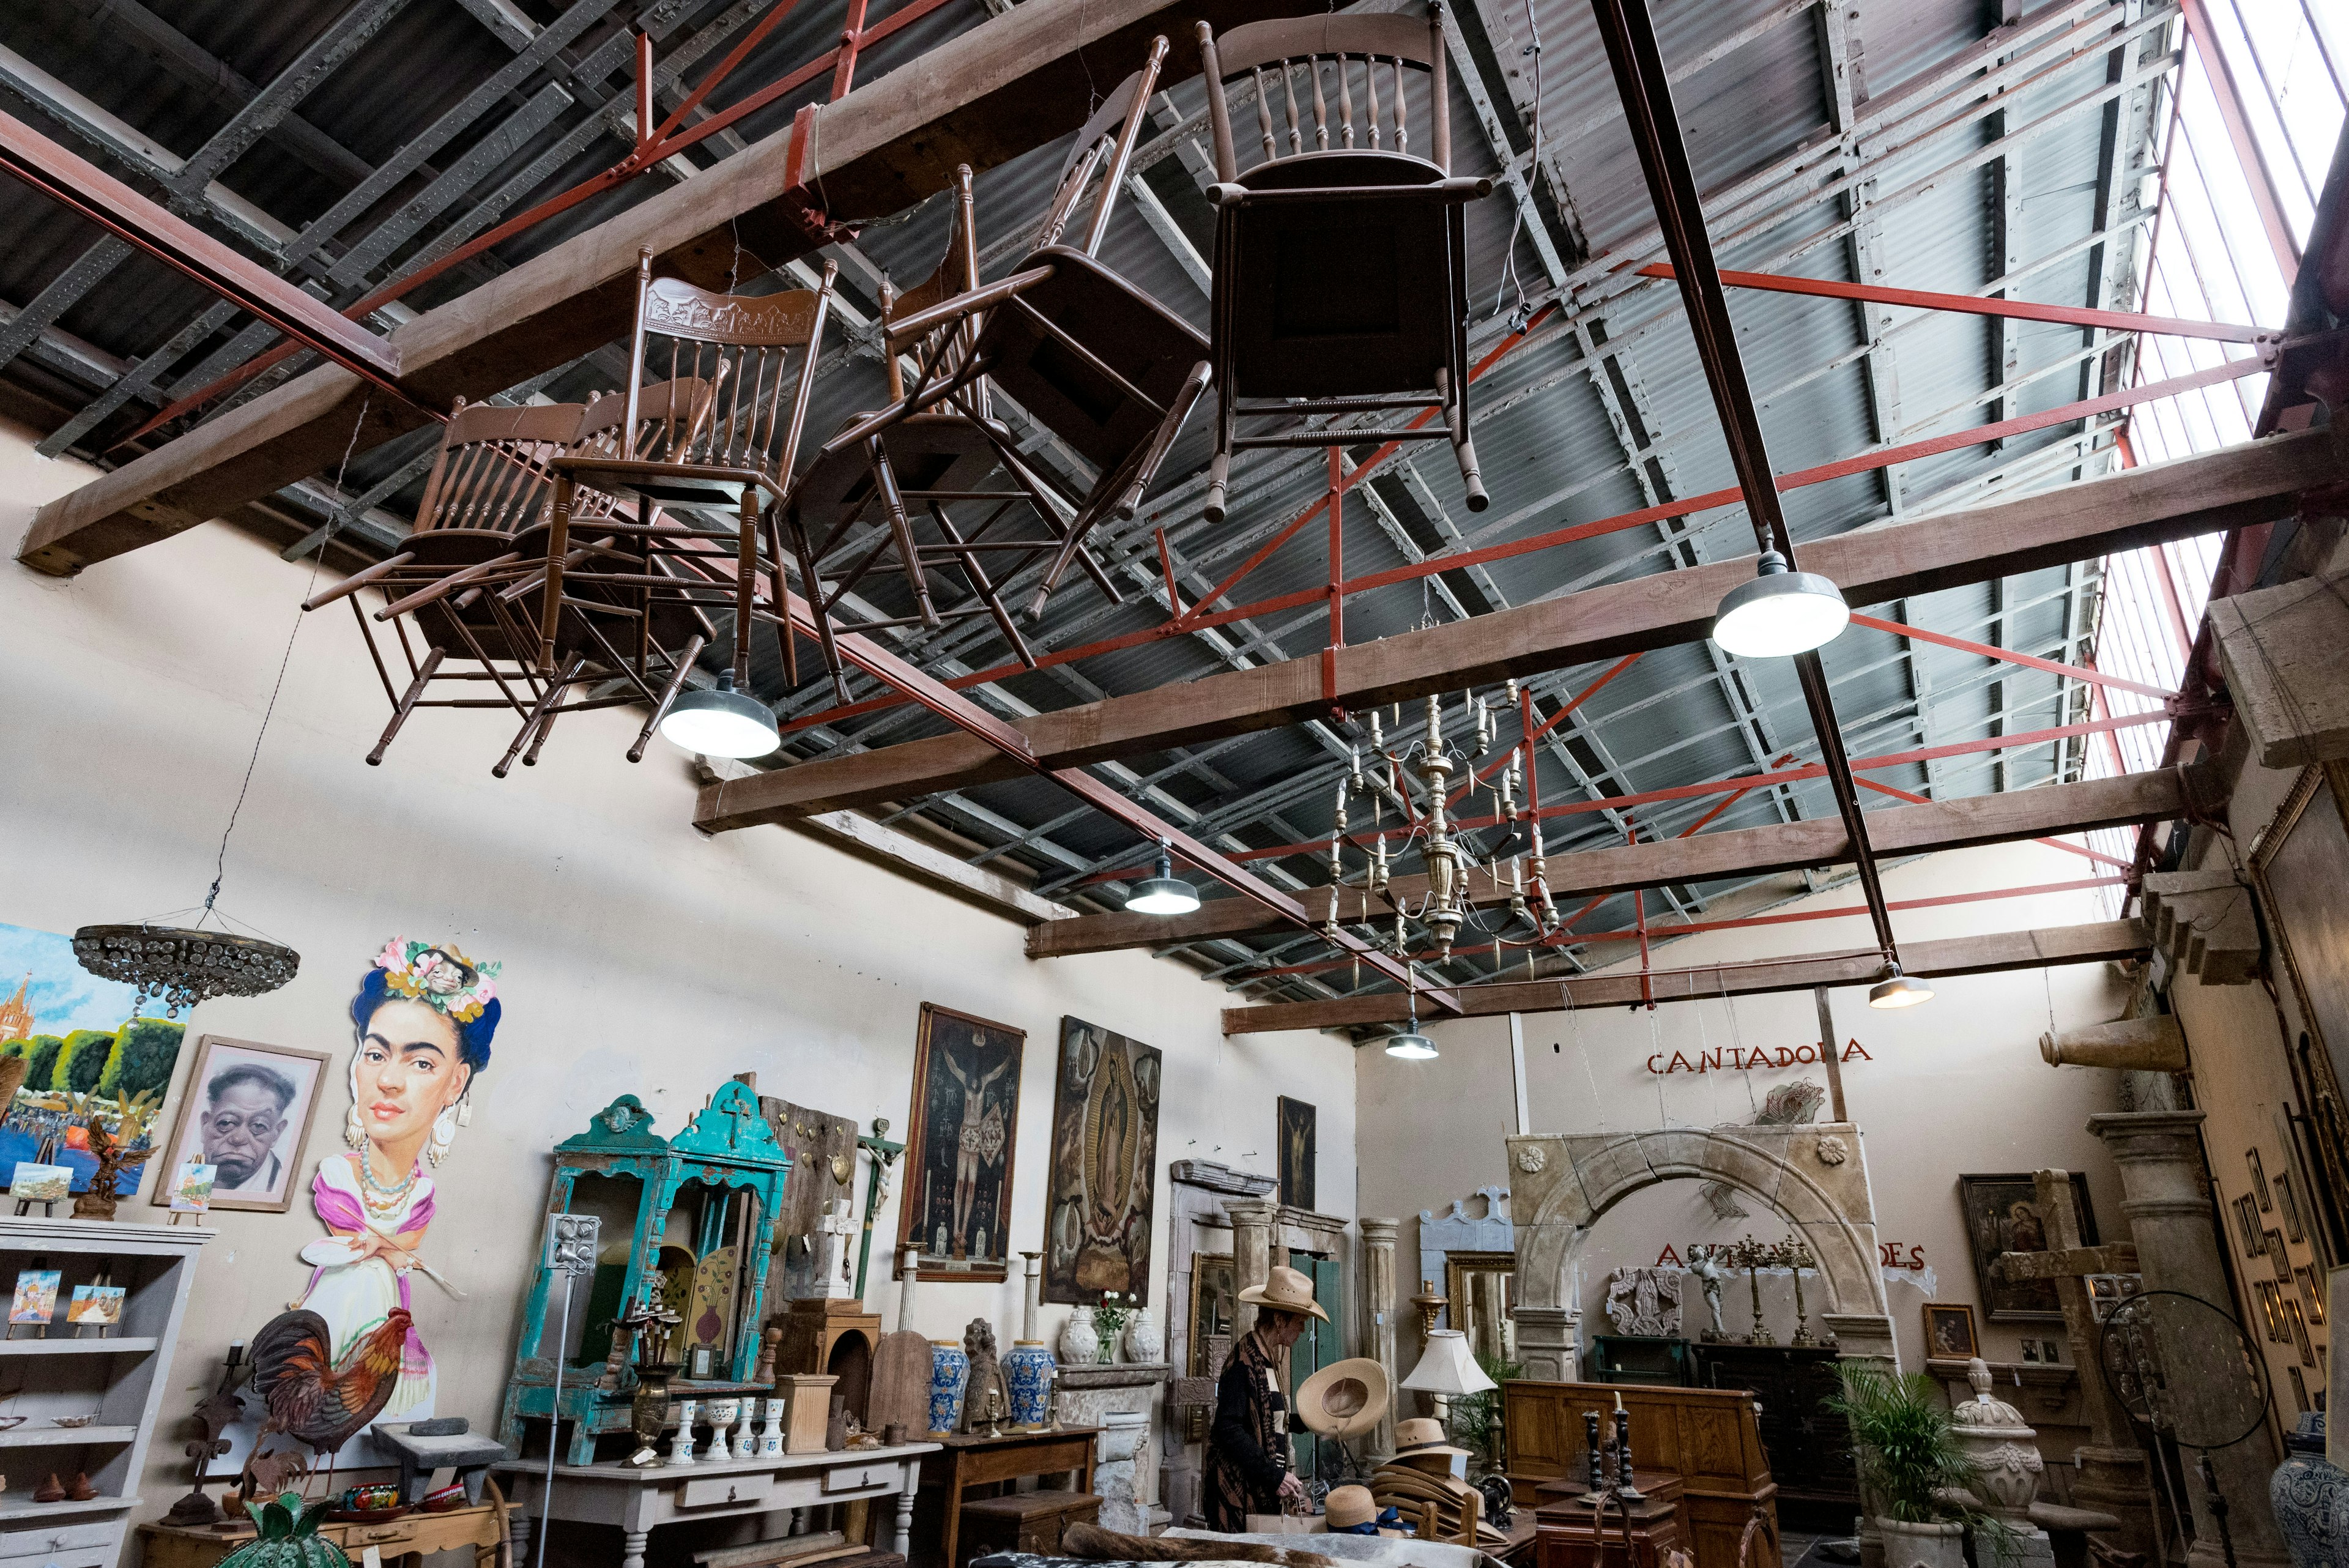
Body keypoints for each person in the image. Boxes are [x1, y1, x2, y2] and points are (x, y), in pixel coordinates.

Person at [294, 938, 499, 1427]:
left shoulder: (423, 1193)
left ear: (457, 1082)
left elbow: (401, 1249)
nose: (388, 1080)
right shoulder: (339, 1175)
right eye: (375, 1053)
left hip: (388, 1324)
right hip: (333, 1315)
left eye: (422, 1062)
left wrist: (389, 1250)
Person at [1204, 1264, 1327, 1531]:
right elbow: (1228, 1428)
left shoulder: (1267, 1356)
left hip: (1257, 1487)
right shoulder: (1243, 1362)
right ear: (1279, 1320)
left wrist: (1316, 1421)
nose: (1303, 1330)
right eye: (1300, 1322)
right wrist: (1275, 1477)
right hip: (1237, 1492)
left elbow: (1269, 1419)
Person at [198, 1062, 297, 1192]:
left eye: (259, 1126)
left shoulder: (281, 1189)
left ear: (277, 1133)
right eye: (226, 1123)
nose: (239, 1139)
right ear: (205, 1124)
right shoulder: (184, 1179)